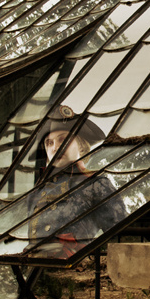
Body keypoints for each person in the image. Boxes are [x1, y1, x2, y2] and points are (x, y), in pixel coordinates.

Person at [26, 105, 125, 245]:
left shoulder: (96, 185)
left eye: (63, 140)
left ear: (81, 146)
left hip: (75, 265)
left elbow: (120, 239)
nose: (55, 148)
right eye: (49, 143)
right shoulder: (37, 191)